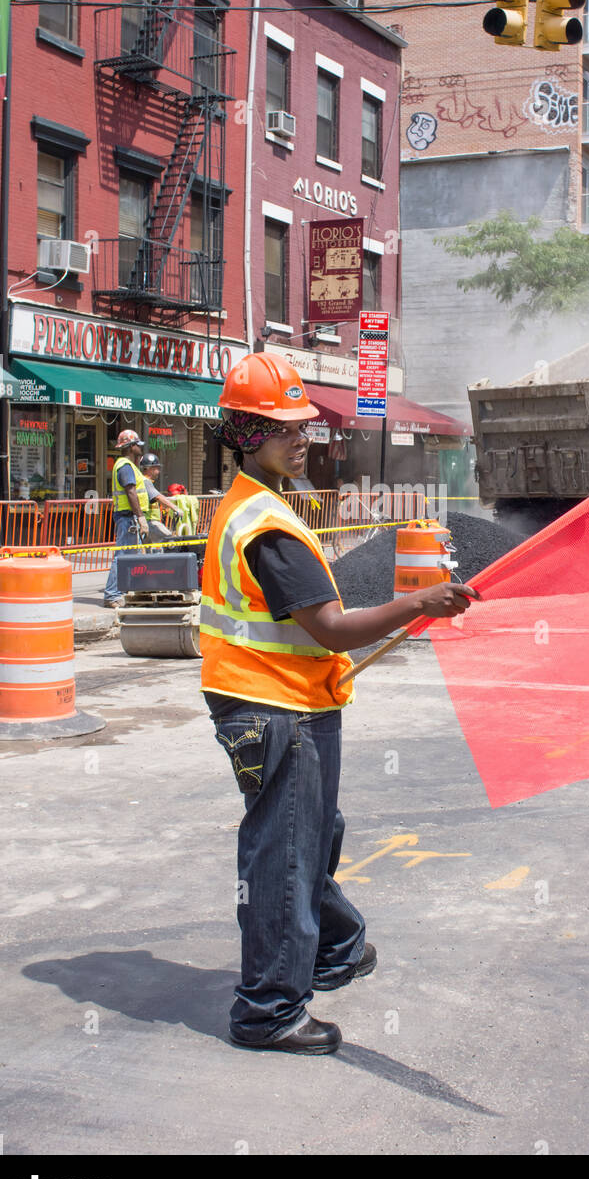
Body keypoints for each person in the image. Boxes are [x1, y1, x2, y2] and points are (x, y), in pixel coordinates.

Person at [201, 352, 477, 1055]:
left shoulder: (260, 504)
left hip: (285, 701)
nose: (304, 438)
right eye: (284, 428)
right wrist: (418, 602)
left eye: (305, 426)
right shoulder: (265, 523)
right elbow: (329, 627)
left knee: (310, 838)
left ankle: (333, 948)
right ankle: (268, 1011)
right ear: (244, 434)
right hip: (274, 710)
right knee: (286, 856)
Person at [102, 430, 149, 608]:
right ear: (131, 447)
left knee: (129, 557)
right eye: (137, 445)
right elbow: (131, 492)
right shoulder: (125, 466)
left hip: (128, 517)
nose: (140, 448)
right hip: (127, 518)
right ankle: (112, 594)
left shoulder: (127, 465)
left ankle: (123, 592)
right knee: (121, 557)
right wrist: (140, 517)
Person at [138, 454, 181, 542]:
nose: (159, 471)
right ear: (150, 468)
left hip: (146, 521)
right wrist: (175, 508)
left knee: (148, 552)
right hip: (150, 521)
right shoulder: (145, 482)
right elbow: (158, 496)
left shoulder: (143, 481)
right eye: (157, 468)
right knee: (170, 541)